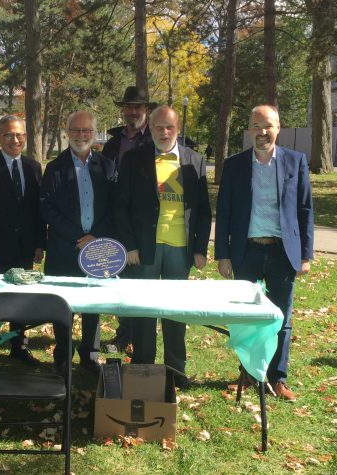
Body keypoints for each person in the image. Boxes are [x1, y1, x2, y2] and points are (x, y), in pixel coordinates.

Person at [215, 104, 314, 401]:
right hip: (246, 251)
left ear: (278, 127)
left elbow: (305, 209)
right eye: (256, 126)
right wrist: (223, 254)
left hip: (283, 252)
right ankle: (246, 373)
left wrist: (306, 255)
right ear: (249, 130)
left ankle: (277, 377)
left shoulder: (295, 162)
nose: (262, 132)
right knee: (245, 317)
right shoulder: (234, 165)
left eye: (267, 125)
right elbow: (225, 211)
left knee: (281, 318)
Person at [114, 105, 212, 390]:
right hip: (145, 248)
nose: (164, 132)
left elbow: (203, 210)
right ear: (151, 128)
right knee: (144, 310)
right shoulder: (134, 159)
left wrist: (200, 248)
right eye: (159, 127)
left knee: (174, 311)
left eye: (169, 127)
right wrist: (129, 245)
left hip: (180, 249)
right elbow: (121, 207)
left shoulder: (194, 160)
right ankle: (143, 365)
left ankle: (175, 368)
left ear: (178, 129)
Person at [40, 110, 116, 375]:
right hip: (65, 247)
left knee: (92, 304)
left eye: (86, 131)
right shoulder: (54, 167)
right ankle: (62, 356)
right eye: (76, 130)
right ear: (67, 132)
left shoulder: (107, 166)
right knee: (64, 303)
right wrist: (76, 236)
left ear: (94, 134)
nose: (81, 135)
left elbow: (114, 208)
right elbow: (46, 208)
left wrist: (94, 237)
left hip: (98, 248)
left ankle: (90, 355)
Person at [0, 115, 47, 365]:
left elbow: (38, 210)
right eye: (9, 135)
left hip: (25, 247)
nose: (15, 140)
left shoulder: (33, 167)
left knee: (19, 297)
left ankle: (19, 345)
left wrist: (39, 243)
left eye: (19, 135)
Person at [101, 86, 155, 352]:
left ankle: (139, 336)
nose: (133, 112)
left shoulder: (153, 141)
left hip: (142, 222)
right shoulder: (113, 143)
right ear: (123, 109)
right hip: (113, 219)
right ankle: (125, 333)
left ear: (146, 110)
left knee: (140, 280)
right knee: (118, 278)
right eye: (129, 107)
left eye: (139, 107)